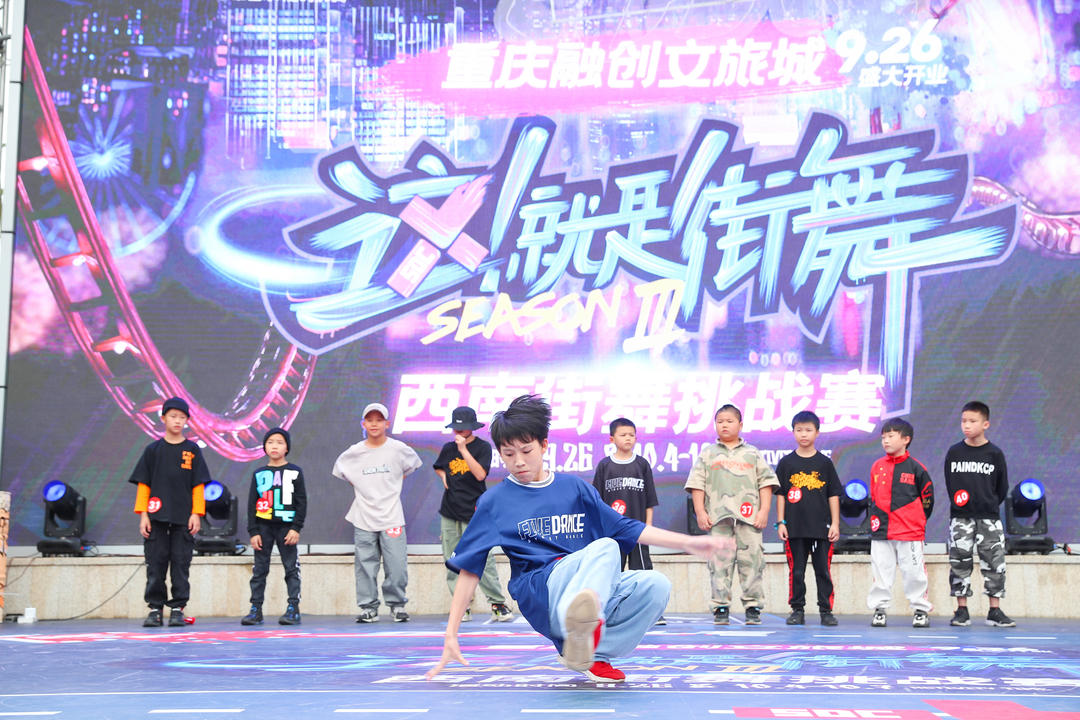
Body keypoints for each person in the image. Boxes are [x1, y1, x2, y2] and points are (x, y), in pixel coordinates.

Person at [427, 395, 732, 684]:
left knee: (656, 585)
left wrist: (689, 543)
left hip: (584, 588)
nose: (518, 461)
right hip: (542, 590)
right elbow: (470, 568)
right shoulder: (495, 502)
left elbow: (626, 527)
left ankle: (588, 653)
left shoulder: (574, 488)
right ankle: (578, 632)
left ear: (544, 445)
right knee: (607, 547)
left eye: (526, 451)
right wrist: (451, 634)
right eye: (509, 454)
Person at [685, 404, 778, 626]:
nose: (724, 425)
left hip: (749, 519)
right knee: (719, 564)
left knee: (752, 563)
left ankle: (753, 606)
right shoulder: (708, 453)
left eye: (729, 421)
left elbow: (765, 483)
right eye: (720, 422)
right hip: (719, 519)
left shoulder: (752, 453)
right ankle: (720, 607)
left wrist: (764, 511)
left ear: (740, 424)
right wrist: (700, 511)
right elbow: (697, 484)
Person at [333, 402, 423, 623]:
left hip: (392, 516)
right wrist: (363, 487)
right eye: (370, 420)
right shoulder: (354, 452)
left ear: (387, 423)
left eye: (379, 420)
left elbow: (412, 465)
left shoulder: (398, 449)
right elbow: (342, 472)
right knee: (365, 565)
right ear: (363, 424)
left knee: (397, 565)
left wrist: (392, 483)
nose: (374, 424)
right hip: (363, 516)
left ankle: (397, 605)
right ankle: (368, 607)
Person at [128, 396, 209, 627]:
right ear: (163, 418)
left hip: (183, 518)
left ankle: (177, 609)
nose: (177, 421)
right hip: (156, 517)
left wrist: (196, 513)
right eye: (173, 416)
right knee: (155, 563)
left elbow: (198, 485)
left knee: (181, 564)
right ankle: (155, 608)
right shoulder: (153, 450)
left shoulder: (192, 450)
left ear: (187, 421)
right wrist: (143, 515)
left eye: (182, 417)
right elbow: (144, 484)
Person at [435, 405, 514, 623]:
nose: (459, 432)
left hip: (475, 511)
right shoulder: (447, 448)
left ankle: (497, 603)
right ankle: (462, 606)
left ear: (473, 427)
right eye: (456, 428)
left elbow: (480, 475)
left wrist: (463, 450)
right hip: (450, 511)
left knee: (483, 558)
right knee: (452, 559)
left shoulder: (482, 447)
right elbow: (439, 466)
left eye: (463, 428)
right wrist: (444, 477)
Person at [944, 401, 1014, 628]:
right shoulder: (954, 452)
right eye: (964, 421)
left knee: (994, 563)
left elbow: (1002, 487)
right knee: (959, 562)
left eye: (972, 421)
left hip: (989, 518)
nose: (967, 425)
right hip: (961, 517)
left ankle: (994, 610)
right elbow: (950, 483)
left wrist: (988, 504)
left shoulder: (994, 454)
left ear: (985, 424)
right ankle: (961, 609)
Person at [591, 417, 664, 624]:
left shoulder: (642, 464)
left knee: (643, 570)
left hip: (638, 530)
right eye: (623, 435)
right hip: (613, 532)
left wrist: (648, 526)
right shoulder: (605, 466)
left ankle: (652, 612)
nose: (628, 438)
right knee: (613, 571)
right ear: (611, 439)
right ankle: (608, 610)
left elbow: (650, 500)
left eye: (632, 435)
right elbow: (596, 501)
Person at [774, 411, 842, 627]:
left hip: (822, 529)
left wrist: (835, 524)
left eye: (808, 430)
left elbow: (833, 495)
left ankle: (826, 611)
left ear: (817, 433)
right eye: (799, 430)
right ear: (793, 432)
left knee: (823, 571)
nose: (803, 434)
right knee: (797, 571)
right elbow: (781, 495)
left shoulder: (824, 463)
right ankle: (797, 610)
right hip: (794, 528)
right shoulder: (786, 463)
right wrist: (781, 522)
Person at [867, 418, 934, 628]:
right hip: (881, 530)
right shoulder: (877, 466)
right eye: (883, 437)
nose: (885, 441)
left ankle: (920, 609)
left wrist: (916, 520)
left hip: (910, 531)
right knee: (881, 572)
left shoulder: (916, 468)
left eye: (891, 436)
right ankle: (879, 609)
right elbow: (874, 496)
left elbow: (928, 499)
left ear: (906, 439)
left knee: (914, 572)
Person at [240, 428, 307, 626]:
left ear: (287, 448)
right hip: (263, 528)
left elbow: (301, 502)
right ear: (264, 447)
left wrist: (296, 528)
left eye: (279, 442)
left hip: (287, 528)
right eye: (270, 442)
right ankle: (256, 609)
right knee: (259, 570)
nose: (274, 446)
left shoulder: (295, 472)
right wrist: (253, 531)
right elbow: (252, 504)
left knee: (291, 569)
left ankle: (293, 608)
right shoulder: (259, 473)